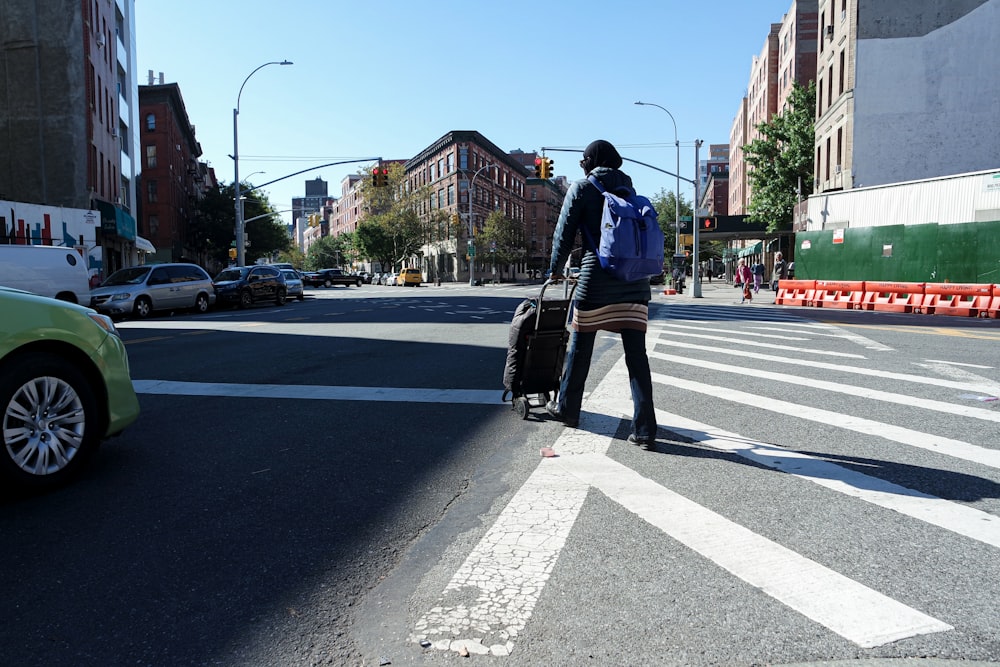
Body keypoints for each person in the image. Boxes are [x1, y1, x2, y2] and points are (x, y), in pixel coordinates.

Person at [545, 140, 657, 447]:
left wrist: (555, 270)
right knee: (637, 358)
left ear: (591, 160)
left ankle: (568, 409)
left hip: (596, 281)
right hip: (635, 284)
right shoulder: (630, 191)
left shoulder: (582, 189)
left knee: (580, 350)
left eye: (584, 158)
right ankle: (646, 430)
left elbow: (563, 233)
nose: (581, 163)